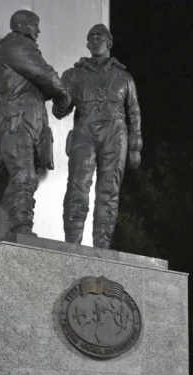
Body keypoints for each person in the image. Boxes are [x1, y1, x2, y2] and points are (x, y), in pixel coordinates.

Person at [52, 23, 142, 249]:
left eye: (99, 36)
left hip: (116, 135)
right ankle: (72, 242)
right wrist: (58, 93)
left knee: (109, 190)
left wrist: (135, 144)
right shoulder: (74, 74)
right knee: (77, 186)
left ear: (109, 42)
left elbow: (134, 111)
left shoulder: (124, 77)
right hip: (85, 132)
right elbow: (60, 110)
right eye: (90, 37)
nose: (94, 40)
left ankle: (102, 244)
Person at [0, 9, 71, 236]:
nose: (38, 30)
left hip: (31, 121)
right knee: (24, 174)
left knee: (28, 176)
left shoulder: (24, 48)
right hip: (16, 121)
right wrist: (63, 93)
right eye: (35, 25)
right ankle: (21, 227)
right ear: (23, 25)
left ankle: (21, 225)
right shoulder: (14, 46)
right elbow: (44, 74)